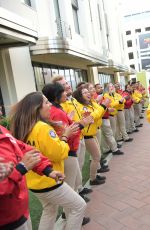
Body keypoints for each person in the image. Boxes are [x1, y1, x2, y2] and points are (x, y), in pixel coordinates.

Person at [10, 92, 86, 230]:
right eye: (46, 102)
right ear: (36, 108)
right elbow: (58, 154)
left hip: (34, 181)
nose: (50, 104)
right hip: (49, 180)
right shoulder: (42, 127)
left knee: (49, 210)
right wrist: (65, 136)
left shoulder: (21, 127)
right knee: (79, 205)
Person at [42, 82, 92, 225]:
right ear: (56, 95)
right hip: (68, 152)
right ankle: (71, 217)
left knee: (74, 183)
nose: (66, 93)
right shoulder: (56, 111)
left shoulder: (57, 109)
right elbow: (67, 133)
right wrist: (82, 123)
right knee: (71, 187)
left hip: (67, 151)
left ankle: (67, 213)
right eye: (63, 91)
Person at [0, 124, 63, 229]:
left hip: (20, 211)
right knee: (77, 206)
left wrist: (47, 170)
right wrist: (20, 169)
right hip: (7, 221)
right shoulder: (42, 127)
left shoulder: (2, 129)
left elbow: (22, 148)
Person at [50, 76, 93, 198]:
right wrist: (81, 123)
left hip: (77, 137)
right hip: (71, 143)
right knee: (73, 172)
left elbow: (70, 123)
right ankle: (74, 199)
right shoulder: (59, 107)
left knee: (78, 168)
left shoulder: (71, 100)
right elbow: (66, 129)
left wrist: (81, 121)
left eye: (67, 83)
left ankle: (78, 190)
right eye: (63, 86)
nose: (67, 86)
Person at [73, 86, 110, 185]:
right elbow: (94, 116)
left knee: (96, 156)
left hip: (93, 133)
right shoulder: (82, 107)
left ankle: (94, 175)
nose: (88, 93)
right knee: (96, 156)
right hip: (87, 135)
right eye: (85, 92)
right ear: (80, 96)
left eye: (88, 92)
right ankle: (93, 179)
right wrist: (103, 106)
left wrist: (102, 106)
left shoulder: (90, 104)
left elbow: (100, 112)